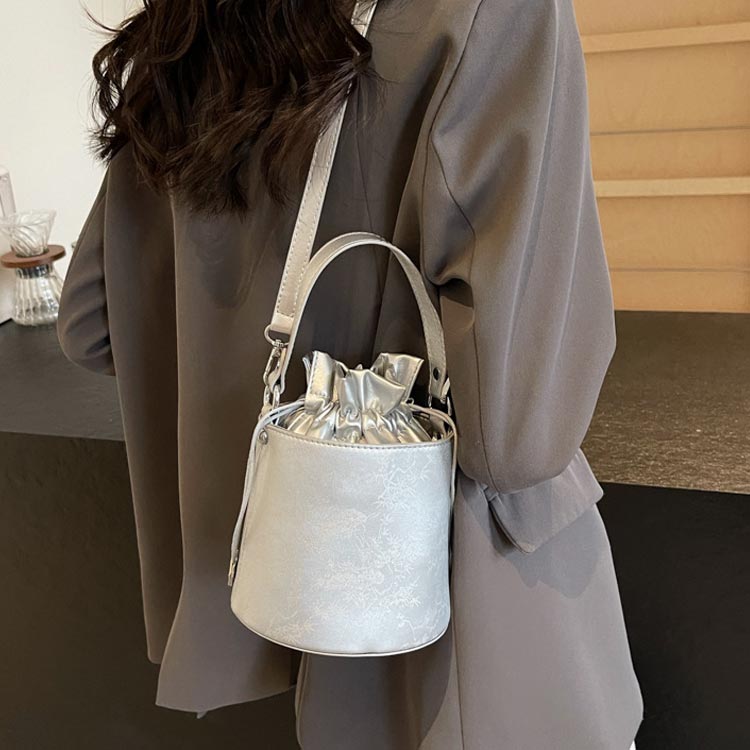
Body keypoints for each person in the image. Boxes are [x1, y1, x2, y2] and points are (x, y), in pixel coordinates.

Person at [57, 0, 643, 747]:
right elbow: (515, 438)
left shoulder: (187, 31)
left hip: (266, 594)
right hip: (457, 633)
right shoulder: (489, 13)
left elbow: (91, 326)